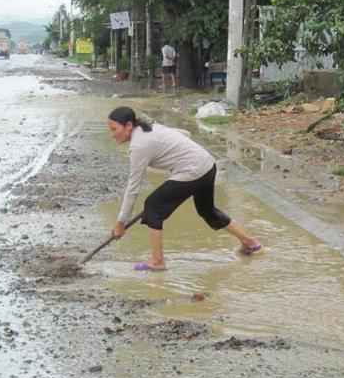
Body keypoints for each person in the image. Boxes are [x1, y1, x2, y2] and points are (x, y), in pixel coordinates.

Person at [107, 106, 262, 271]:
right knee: (206, 210)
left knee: (153, 206)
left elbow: (133, 187)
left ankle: (157, 261)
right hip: (207, 164)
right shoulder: (151, 128)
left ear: (129, 125)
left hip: (193, 170)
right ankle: (250, 242)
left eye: (114, 129)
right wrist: (177, 164)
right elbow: (184, 135)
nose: (112, 133)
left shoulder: (138, 145)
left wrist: (120, 222)